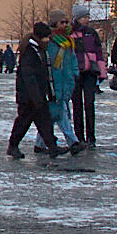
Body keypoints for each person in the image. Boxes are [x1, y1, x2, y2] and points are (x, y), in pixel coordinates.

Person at [7, 22, 63, 158]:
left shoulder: (40, 50)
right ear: (40, 37)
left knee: (45, 122)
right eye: (46, 37)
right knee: (23, 122)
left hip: (38, 94)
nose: (48, 40)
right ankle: (13, 145)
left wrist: (47, 93)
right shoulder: (30, 52)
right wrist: (36, 97)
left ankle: (52, 146)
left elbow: (45, 74)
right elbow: (29, 78)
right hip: (28, 96)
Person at [44, 14, 84, 154]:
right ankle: (73, 142)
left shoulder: (68, 42)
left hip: (66, 82)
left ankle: (40, 143)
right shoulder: (50, 42)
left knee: (53, 115)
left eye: (67, 22)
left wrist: (74, 73)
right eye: (62, 22)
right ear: (54, 24)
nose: (66, 25)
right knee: (61, 113)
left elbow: (72, 59)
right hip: (55, 83)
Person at [71, 8, 103, 148]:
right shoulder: (70, 33)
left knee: (89, 104)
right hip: (76, 72)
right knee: (77, 105)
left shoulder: (91, 33)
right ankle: (79, 136)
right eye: (83, 17)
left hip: (90, 72)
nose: (86, 19)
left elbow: (99, 52)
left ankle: (91, 136)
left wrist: (102, 72)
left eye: (87, 17)